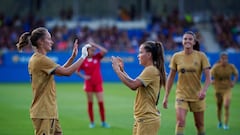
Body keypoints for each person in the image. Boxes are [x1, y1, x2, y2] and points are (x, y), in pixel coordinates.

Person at [16, 27, 91, 135]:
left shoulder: (38, 58)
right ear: (41, 42)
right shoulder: (40, 60)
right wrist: (83, 57)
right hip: (43, 112)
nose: (52, 42)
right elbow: (67, 72)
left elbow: (61, 71)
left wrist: (72, 57)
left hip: (49, 111)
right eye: (49, 39)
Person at [111, 41, 166, 135]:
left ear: (149, 55)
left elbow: (133, 85)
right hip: (142, 118)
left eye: (141, 52)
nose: (138, 55)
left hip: (147, 119)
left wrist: (117, 70)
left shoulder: (151, 70)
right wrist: (122, 71)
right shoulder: (150, 69)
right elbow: (134, 83)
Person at [162, 31, 211, 135]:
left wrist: (204, 91)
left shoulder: (201, 56)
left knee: (199, 125)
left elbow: (208, 77)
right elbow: (170, 77)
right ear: (182, 41)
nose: (187, 41)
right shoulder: (176, 56)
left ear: (194, 42)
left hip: (197, 95)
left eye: (190, 39)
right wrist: (166, 96)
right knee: (180, 122)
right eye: (185, 39)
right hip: (181, 95)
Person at [75, 41, 110, 128]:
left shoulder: (97, 57)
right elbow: (76, 70)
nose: (93, 51)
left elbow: (105, 51)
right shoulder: (83, 60)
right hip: (89, 84)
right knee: (90, 103)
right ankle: (92, 122)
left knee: (101, 103)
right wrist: (84, 77)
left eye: (93, 49)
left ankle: (103, 122)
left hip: (98, 83)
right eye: (91, 49)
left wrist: (95, 44)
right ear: (87, 51)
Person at [210, 52, 238, 130]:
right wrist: (211, 80)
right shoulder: (216, 67)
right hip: (218, 89)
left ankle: (226, 124)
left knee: (226, 105)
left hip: (227, 89)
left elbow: (236, 74)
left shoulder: (231, 67)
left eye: (226, 59)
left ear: (227, 59)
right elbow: (209, 74)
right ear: (220, 59)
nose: (224, 60)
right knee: (219, 107)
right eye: (223, 59)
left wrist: (233, 82)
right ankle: (219, 121)